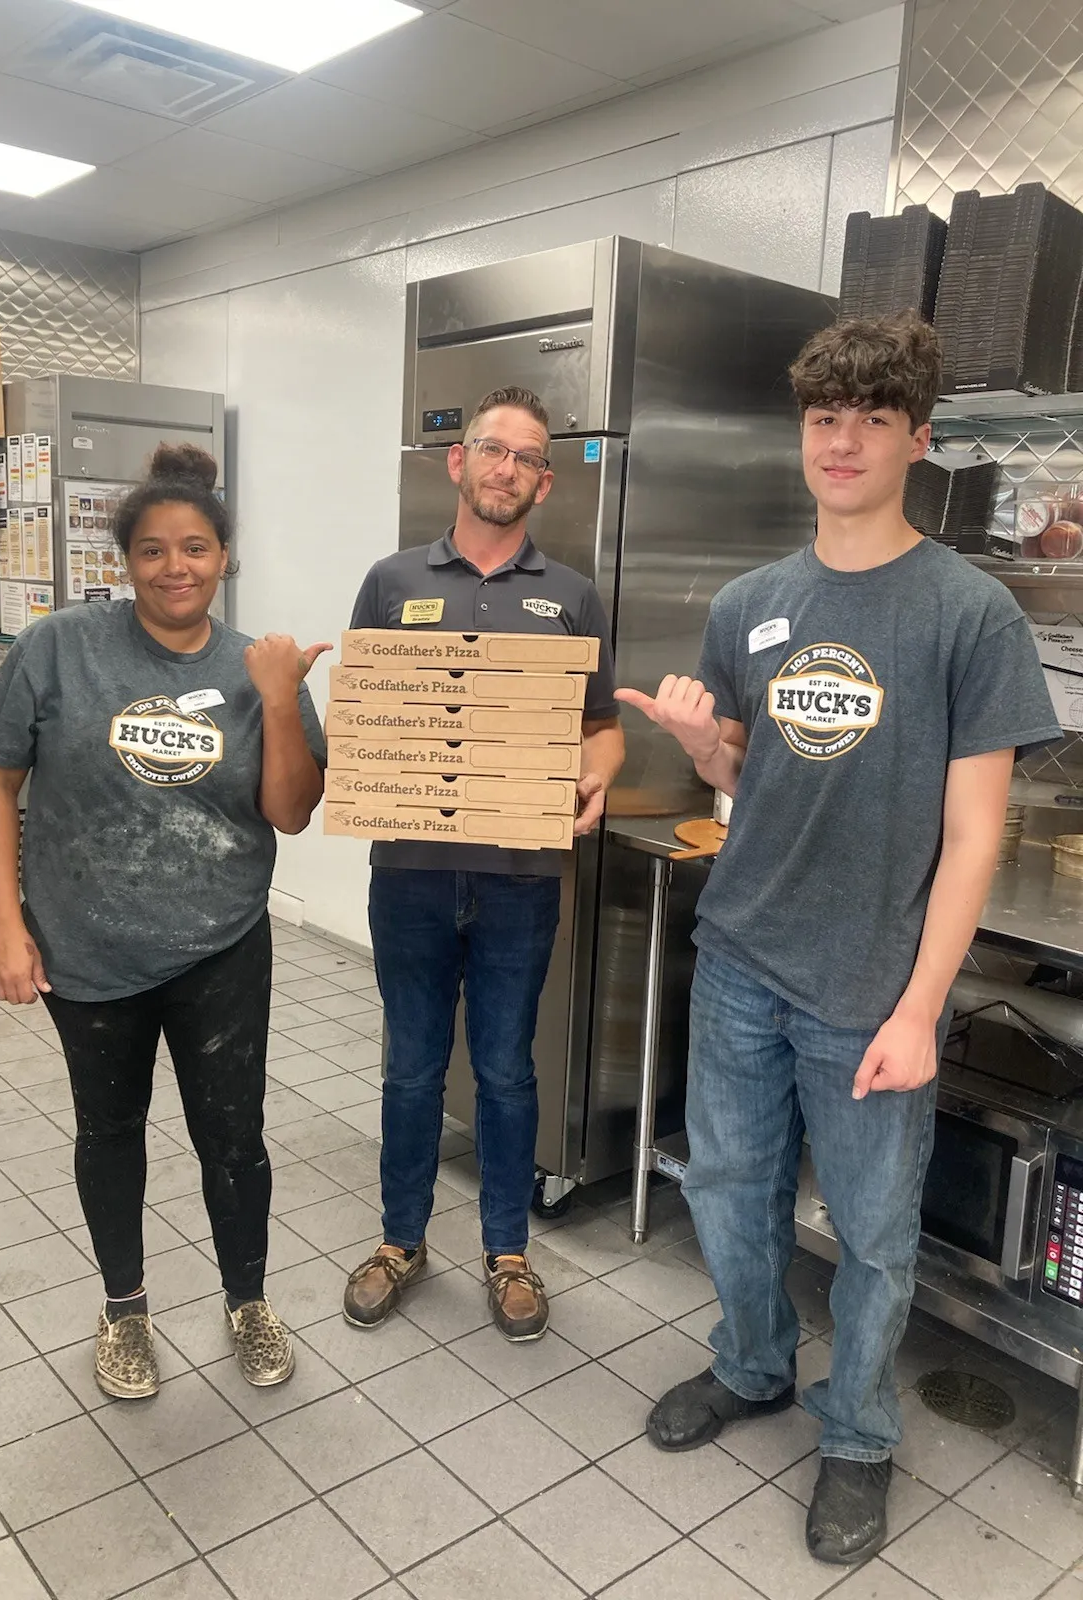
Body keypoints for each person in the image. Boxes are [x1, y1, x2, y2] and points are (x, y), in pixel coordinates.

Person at [617, 313, 1059, 1564]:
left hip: (874, 982)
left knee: (871, 1233)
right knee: (728, 1187)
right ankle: (753, 1366)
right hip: (745, 958)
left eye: (874, 416)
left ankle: (858, 1435)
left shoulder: (969, 616)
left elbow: (973, 836)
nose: (845, 439)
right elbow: (753, 781)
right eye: (825, 416)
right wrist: (710, 749)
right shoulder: (754, 602)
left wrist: (922, 1009)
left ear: (920, 438)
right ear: (801, 433)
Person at [0, 443, 329, 1400]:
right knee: (110, 1130)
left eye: (198, 549)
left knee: (232, 1135)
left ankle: (247, 1302)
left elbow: (290, 812)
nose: (178, 568)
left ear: (224, 558)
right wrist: (5, 922)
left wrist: (285, 703)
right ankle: (123, 1310)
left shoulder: (257, 667)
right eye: (156, 551)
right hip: (87, 948)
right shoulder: (59, 648)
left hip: (220, 944)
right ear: (124, 562)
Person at [342, 386, 625, 1342]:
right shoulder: (390, 582)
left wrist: (594, 780)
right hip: (411, 871)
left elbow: (602, 729)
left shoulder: (573, 596)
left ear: (545, 481)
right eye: (492, 449)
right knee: (413, 1066)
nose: (508, 468)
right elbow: (369, 715)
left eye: (528, 457)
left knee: (506, 1069)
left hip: (521, 876)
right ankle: (400, 1242)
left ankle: (509, 1252)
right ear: (457, 462)